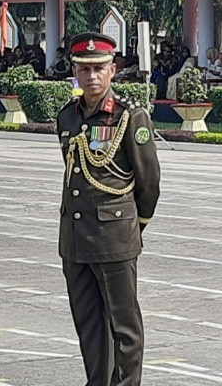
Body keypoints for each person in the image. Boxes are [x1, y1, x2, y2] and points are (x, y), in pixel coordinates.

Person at [57, 32, 160, 386]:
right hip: (75, 239)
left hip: (115, 235)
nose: (91, 76)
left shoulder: (131, 117)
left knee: (124, 325)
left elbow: (148, 182)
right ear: (74, 70)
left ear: (113, 70)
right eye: (84, 69)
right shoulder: (67, 117)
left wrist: (134, 225)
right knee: (88, 325)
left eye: (99, 68)